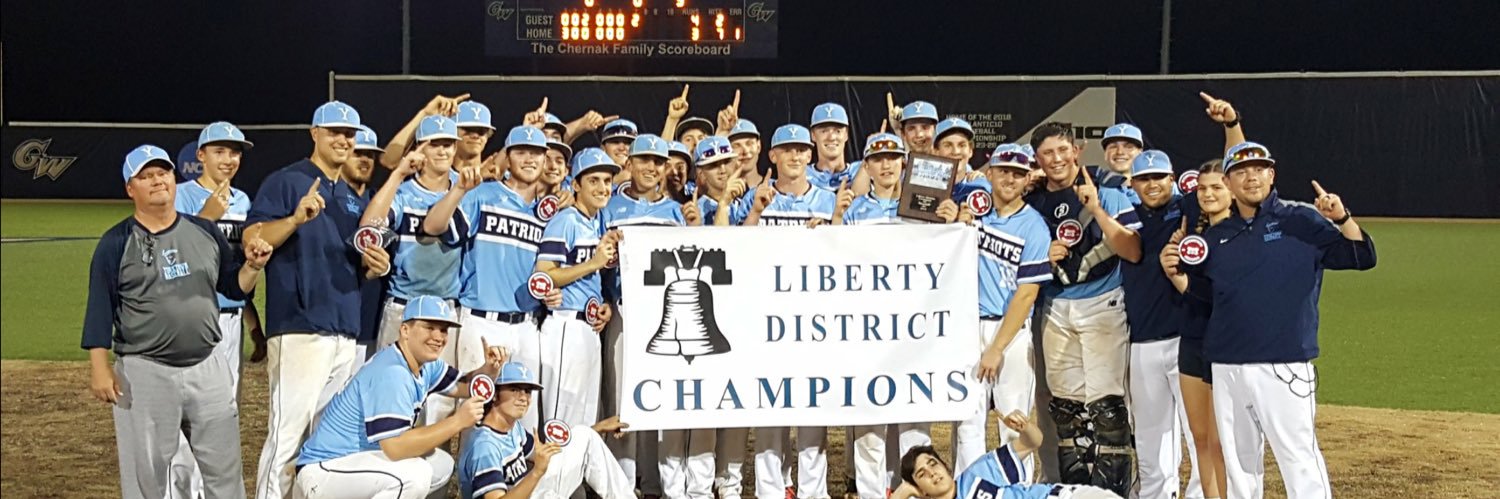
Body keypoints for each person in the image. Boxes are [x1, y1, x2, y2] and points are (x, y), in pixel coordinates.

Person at [1168, 139, 1375, 499]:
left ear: (1272, 175)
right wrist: (1178, 273)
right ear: (1230, 184)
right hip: (1228, 366)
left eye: (1259, 169)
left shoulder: (1300, 221)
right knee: (1239, 468)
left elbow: (1361, 256)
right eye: (1241, 172)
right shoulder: (1216, 238)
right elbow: (1209, 297)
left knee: (1299, 461)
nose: (1251, 178)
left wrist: (1342, 218)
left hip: (1284, 365)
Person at [85, 144, 272, 499]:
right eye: (147, 176)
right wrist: (99, 366)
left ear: (174, 178)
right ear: (130, 188)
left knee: (225, 472)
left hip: (208, 365)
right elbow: (99, 307)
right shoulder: (115, 243)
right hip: (145, 370)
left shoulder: (204, 231)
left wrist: (253, 266)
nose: (158, 181)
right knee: (148, 477)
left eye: (163, 173)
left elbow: (233, 287)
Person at [249, 101, 392, 499]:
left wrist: (373, 266)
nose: (344, 140)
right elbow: (253, 239)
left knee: (325, 445)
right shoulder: (287, 182)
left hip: (345, 332)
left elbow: (353, 264)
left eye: (349, 134)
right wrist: (294, 220)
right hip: (300, 327)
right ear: (315, 134)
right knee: (288, 437)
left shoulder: (349, 196)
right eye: (335, 132)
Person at [1023, 121, 1142, 496]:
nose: (1056, 159)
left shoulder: (1110, 195)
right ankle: (1077, 490)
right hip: (1055, 307)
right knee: (1066, 409)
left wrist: (1096, 209)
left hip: (1103, 303)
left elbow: (1133, 250)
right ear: (1038, 160)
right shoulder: (1035, 201)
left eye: (1062, 150)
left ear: (1077, 151)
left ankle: (1115, 491)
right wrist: (1045, 256)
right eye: (1047, 154)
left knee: (1107, 404)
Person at [294, 295, 506, 498]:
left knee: (440, 465)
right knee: (415, 476)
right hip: (327, 470)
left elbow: (463, 385)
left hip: (355, 463)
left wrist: (488, 371)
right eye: (429, 327)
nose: (438, 337)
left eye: (443, 330)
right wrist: (458, 421)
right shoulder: (392, 372)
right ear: (405, 330)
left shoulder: (423, 363)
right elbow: (395, 448)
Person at [422, 125, 552, 429]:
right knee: (475, 414)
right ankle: (471, 475)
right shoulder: (483, 195)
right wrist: (459, 191)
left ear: (546, 160)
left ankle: (522, 476)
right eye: (521, 152)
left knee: (524, 417)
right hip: (481, 320)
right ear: (507, 157)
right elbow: (434, 227)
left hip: (526, 325)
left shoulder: (547, 212)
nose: (530, 159)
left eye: (537, 153)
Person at [599, 134, 697, 488]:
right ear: (631, 163)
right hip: (623, 309)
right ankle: (622, 483)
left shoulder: (674, 211)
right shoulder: (610, 207)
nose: (652, 168)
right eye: (644, 160)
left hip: (662, 313)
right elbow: (600, 264)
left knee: (657, 393)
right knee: (623, 397)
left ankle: (654, 482)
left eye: (658, 162)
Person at [167, 122, 256, 499]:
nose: (229, 159)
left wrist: (255, 327)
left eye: (234, 152)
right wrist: (207, 214)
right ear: (200, 155)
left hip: (232, 319)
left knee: (222, 413)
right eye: (220, 151)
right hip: (192, 317)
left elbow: (240, 269)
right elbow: (172, 254)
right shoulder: (182, 196)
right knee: (184, 414)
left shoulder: (244, 201)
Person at [954, 144, 1051, 475]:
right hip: (967, 327)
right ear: (989, 173)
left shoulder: (1034, 226)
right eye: (1004, 170)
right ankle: (971, 489)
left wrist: (996, 348)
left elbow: (1027, 295)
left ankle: (1016, 492)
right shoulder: (972, 208)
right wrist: (956, 222)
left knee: (1014, 424)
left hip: (1009, 332)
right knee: (968, 422)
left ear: (1027, 179)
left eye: (1018, 173)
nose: (1010, 178)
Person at [1116, 150, 1205, 499]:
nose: (1153, 184)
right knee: (1152, 435)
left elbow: (1226, 175)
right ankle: (1156, 495)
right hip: (1143, 340)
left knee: (1199, 433)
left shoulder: (1191, 210)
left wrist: (1231, 125)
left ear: (1172, 178)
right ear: (1133, 183)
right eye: (1144, 179)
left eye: (1159, 177)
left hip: (1188, 338)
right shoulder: (1127, 217)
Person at [458, 362, 636, 498]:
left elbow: (543, 455)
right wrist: (536, 473)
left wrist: (599, 428)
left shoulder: (511, 427)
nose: (523, 398)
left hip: (529, 491)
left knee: (584, 435)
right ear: (495, 394)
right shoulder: (484, 447)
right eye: (514, 389)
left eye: (527, 391)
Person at [534, 147, 619, 430]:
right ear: (576, 185)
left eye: (607, 181)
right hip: (565, 327)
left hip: (588, 327)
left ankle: (572, 476)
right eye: (593, 180)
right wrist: (593, 263)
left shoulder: (596, 222)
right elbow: (544, 274)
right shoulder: (565, 220)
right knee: (561, 420)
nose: (602, 187)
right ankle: (552, 476)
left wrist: (605, 302)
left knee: (584, 420)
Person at [1163, 159, 1231, 499]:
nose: (1208, 193)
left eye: (1217, 187)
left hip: (1226, 344)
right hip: (1191, 339)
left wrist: (1181, 280)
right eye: (1202, 188)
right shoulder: (1193, 238)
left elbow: (1221, 295)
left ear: (1232, 190)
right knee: (1201, 438)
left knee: (1223, 442)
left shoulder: (1240, 236)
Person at [891, 413, 1120, 499]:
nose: (933, 472)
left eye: (933, 463)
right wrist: (904, 493)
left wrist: (1025, 427)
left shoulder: (977, 473)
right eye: (922, 474)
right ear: (920, 491)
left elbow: (1033, 442)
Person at [347, 124, 387, 362]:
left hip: (373, 320)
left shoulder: (379, 201)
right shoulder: (327, 199)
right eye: (358, 153)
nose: (365, 160)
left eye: (370, 154)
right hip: (336, 323)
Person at [691, 136, 749, 227]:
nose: (723, 170)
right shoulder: (696, 211)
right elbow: (719, 241)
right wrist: (723, 203)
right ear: (701, 173)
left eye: (726, 162)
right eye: (713, 165)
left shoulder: (746, 205)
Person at [805, 103, 859, 193]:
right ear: (813, 135)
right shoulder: (802, 175)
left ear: (846, 134)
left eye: (838, 131)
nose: (832, 137)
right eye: (824, 131)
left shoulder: (862, 170)